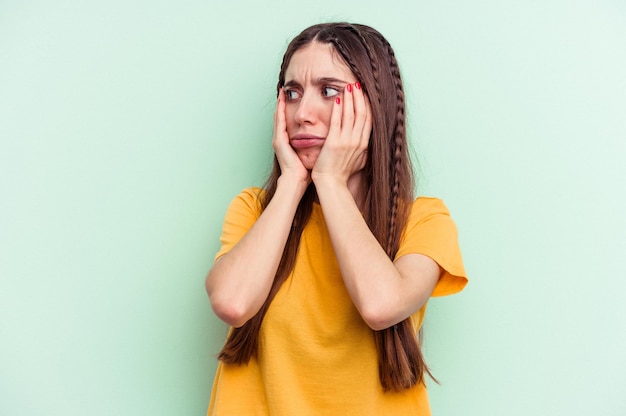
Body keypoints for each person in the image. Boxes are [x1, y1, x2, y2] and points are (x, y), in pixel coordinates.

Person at [205, 22, 468, 415]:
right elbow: (232, 302)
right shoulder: (252, 210)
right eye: (291, 93)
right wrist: (293, 181)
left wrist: (330, 180)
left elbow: (380, 306)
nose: (302, 114)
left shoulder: (424, 221)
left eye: (328, 91)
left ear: (374, 105)